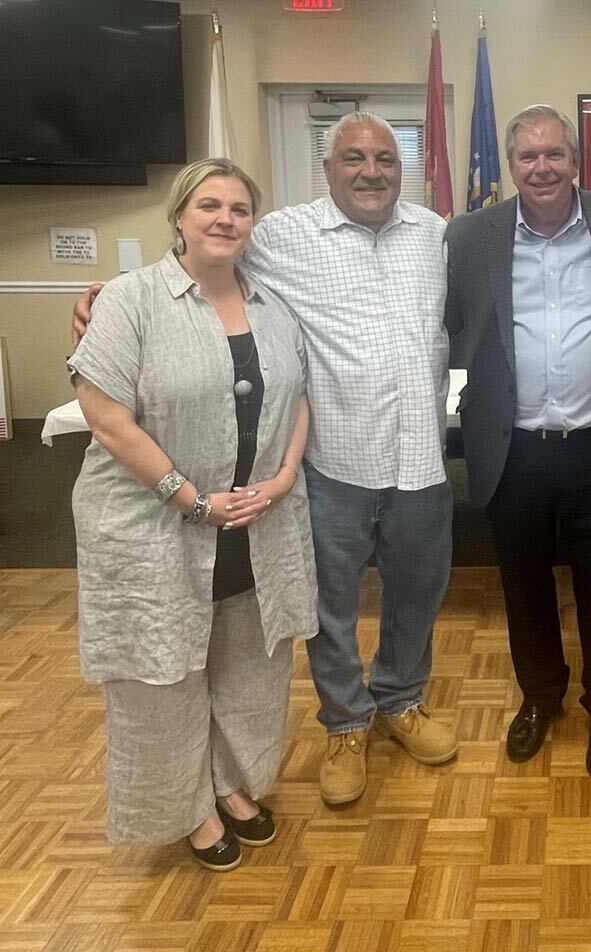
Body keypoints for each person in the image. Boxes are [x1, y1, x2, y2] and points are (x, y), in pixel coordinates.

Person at [72, 112, 458, 807]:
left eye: (385, 159)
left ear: (403, 167)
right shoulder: (280, 235)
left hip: (423, 461)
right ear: (328, 167)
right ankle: (346, 722)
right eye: (353, 159)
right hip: (334, 462)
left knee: (417, 596)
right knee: (328, 607)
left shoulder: (434, 234)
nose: (370, 171)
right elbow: (189, 264)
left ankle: (402, 698)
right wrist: (104, 296)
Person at [67, 158, 317, 871]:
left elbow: (297, 395)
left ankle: (232, 783)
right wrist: (189, 497)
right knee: (165, 673)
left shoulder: (272, 302)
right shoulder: (129, 299)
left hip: (252, 521)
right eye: (209, 204)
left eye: (239, 209)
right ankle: (189, 809)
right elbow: (105, 414)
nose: (224, 219)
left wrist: (284, 477)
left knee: (246, 660)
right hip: (156, 528)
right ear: (179, 215)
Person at [444, 104, 591, 779]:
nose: (541, 167)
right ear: (510, 165)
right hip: (514, 445)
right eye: (528, 156)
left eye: (553, 154)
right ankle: (540, 697)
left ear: (575, 159)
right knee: (523, 582)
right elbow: (435, 315)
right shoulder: (471, 234)